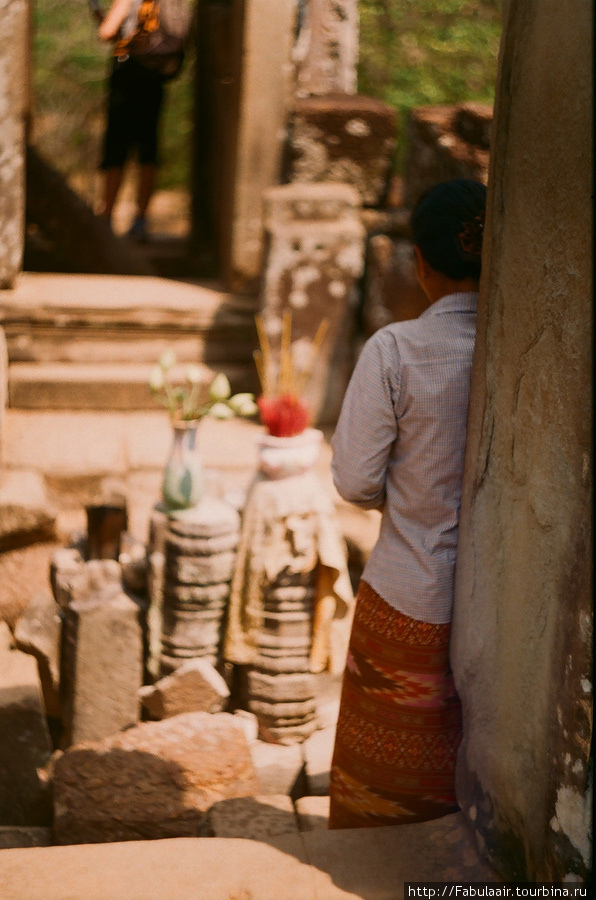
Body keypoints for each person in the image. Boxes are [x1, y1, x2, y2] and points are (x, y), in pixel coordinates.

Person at [328, 178, 487, 829]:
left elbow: (354, 481)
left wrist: (413, 499)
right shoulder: (525, 349)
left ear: (418, 262)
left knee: (384, 801)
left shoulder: (397, 351)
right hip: (501, 609)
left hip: (408, 599)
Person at [92, 0, 166, 240]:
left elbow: (107, 32)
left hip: (127, 76)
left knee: (116, 147)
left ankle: (106, 216)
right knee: (148, 147)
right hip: (155, 76)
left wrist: (101, 16)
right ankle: (141, 219)